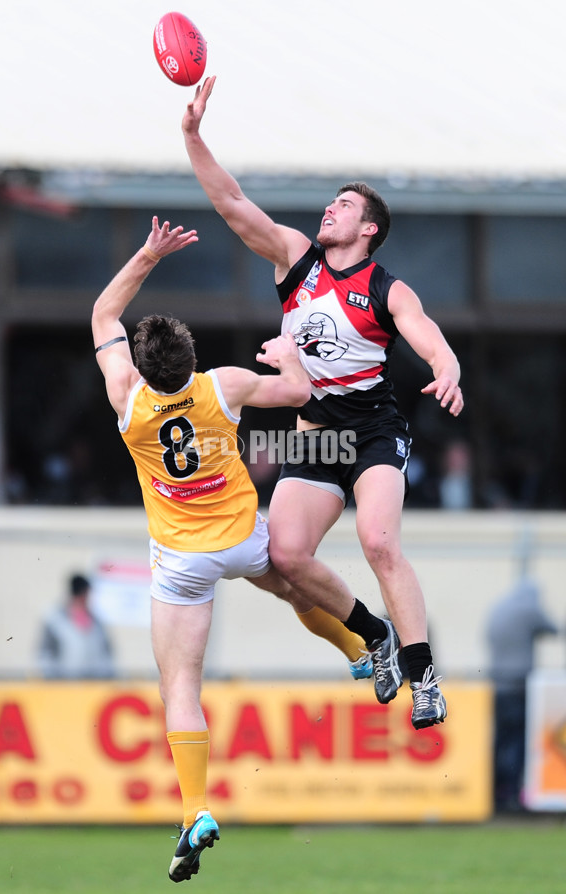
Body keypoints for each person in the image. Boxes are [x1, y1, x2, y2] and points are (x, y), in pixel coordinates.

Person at [92, 216, 376, 883]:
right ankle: (359, 649)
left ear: (141, 364)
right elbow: (302, 394)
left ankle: (196, 808)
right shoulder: (222, 385)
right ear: (189, 360)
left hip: (183, 560)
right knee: (295, 586)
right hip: (244, 538)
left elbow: (104, 311)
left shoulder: (126, 397)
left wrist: (147, 255)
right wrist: (288, 356)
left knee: (180, 686)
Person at [182, 76, 466, 730]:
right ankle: (374, 636)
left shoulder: (384, 287)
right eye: (330, 204)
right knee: (284, 556)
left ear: (368, 228)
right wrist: (193, 136)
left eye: (343, 205)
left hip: (371, 432)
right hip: (313, 433)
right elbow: (230, 202)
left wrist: (447, 364)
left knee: (379, 539)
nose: (328, 211)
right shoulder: (296, 260)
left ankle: (425, 678)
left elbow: (426, 332)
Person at [486, 575, 558, 812]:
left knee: (500, 741)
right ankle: (514, 795)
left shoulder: (499, 608)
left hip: (498, 684)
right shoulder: (529, 608)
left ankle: (495, 793)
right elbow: (553, 629)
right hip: (518, 686)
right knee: (518, 742)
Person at [37, 573, 115, 679]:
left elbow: (107, 653)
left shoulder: (96, 621)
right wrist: (51, 679)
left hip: (94, 684)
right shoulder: (55, 621)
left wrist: (108, 676)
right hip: (65, 685)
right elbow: (46, 653)